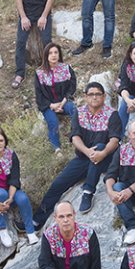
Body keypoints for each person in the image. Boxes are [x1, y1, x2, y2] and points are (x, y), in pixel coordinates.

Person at [33, 81, 122, 226]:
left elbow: (114, 140)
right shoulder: (79, 113)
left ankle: (88, 192)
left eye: (98, 94)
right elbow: (75, 137)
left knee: (99, 147)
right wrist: (87, 152)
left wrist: (103, 152)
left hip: (106, 158)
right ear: (86, 97)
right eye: (91, 94)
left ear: (104, 96)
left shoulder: (112, 115)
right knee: (58, 184)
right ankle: (37, 219)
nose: (94, 97)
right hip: (83, 157)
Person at [0, 126, 40, 247]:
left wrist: (11, 198)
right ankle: (2, 228)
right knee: (1, 194)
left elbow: (15, 178)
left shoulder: (11, 155)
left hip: (10, 188)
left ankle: (30, 231)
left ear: (5, 141)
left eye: (1, 140)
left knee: (23, 198)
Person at [12, 0, 56, 89]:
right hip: (26, 15)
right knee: (20, 42)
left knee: (47, 41)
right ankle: (20, 74)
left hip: (43, 14)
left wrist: (44, 16)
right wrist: (23, 17)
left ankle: (48, 70)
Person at [34, 43, 77, 153]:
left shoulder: (66, 69)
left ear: (59, 54)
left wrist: (62, 103)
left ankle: (76, 137)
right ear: (46, 56)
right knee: (53, 122)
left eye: (56, 52)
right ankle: (56, 148)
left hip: (64, 102)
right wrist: (51, 105)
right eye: (50, 53)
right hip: (48, 105)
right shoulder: (40, 73)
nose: (53, 55)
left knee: (74, 110)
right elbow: (39, 95)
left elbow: (72, 87)